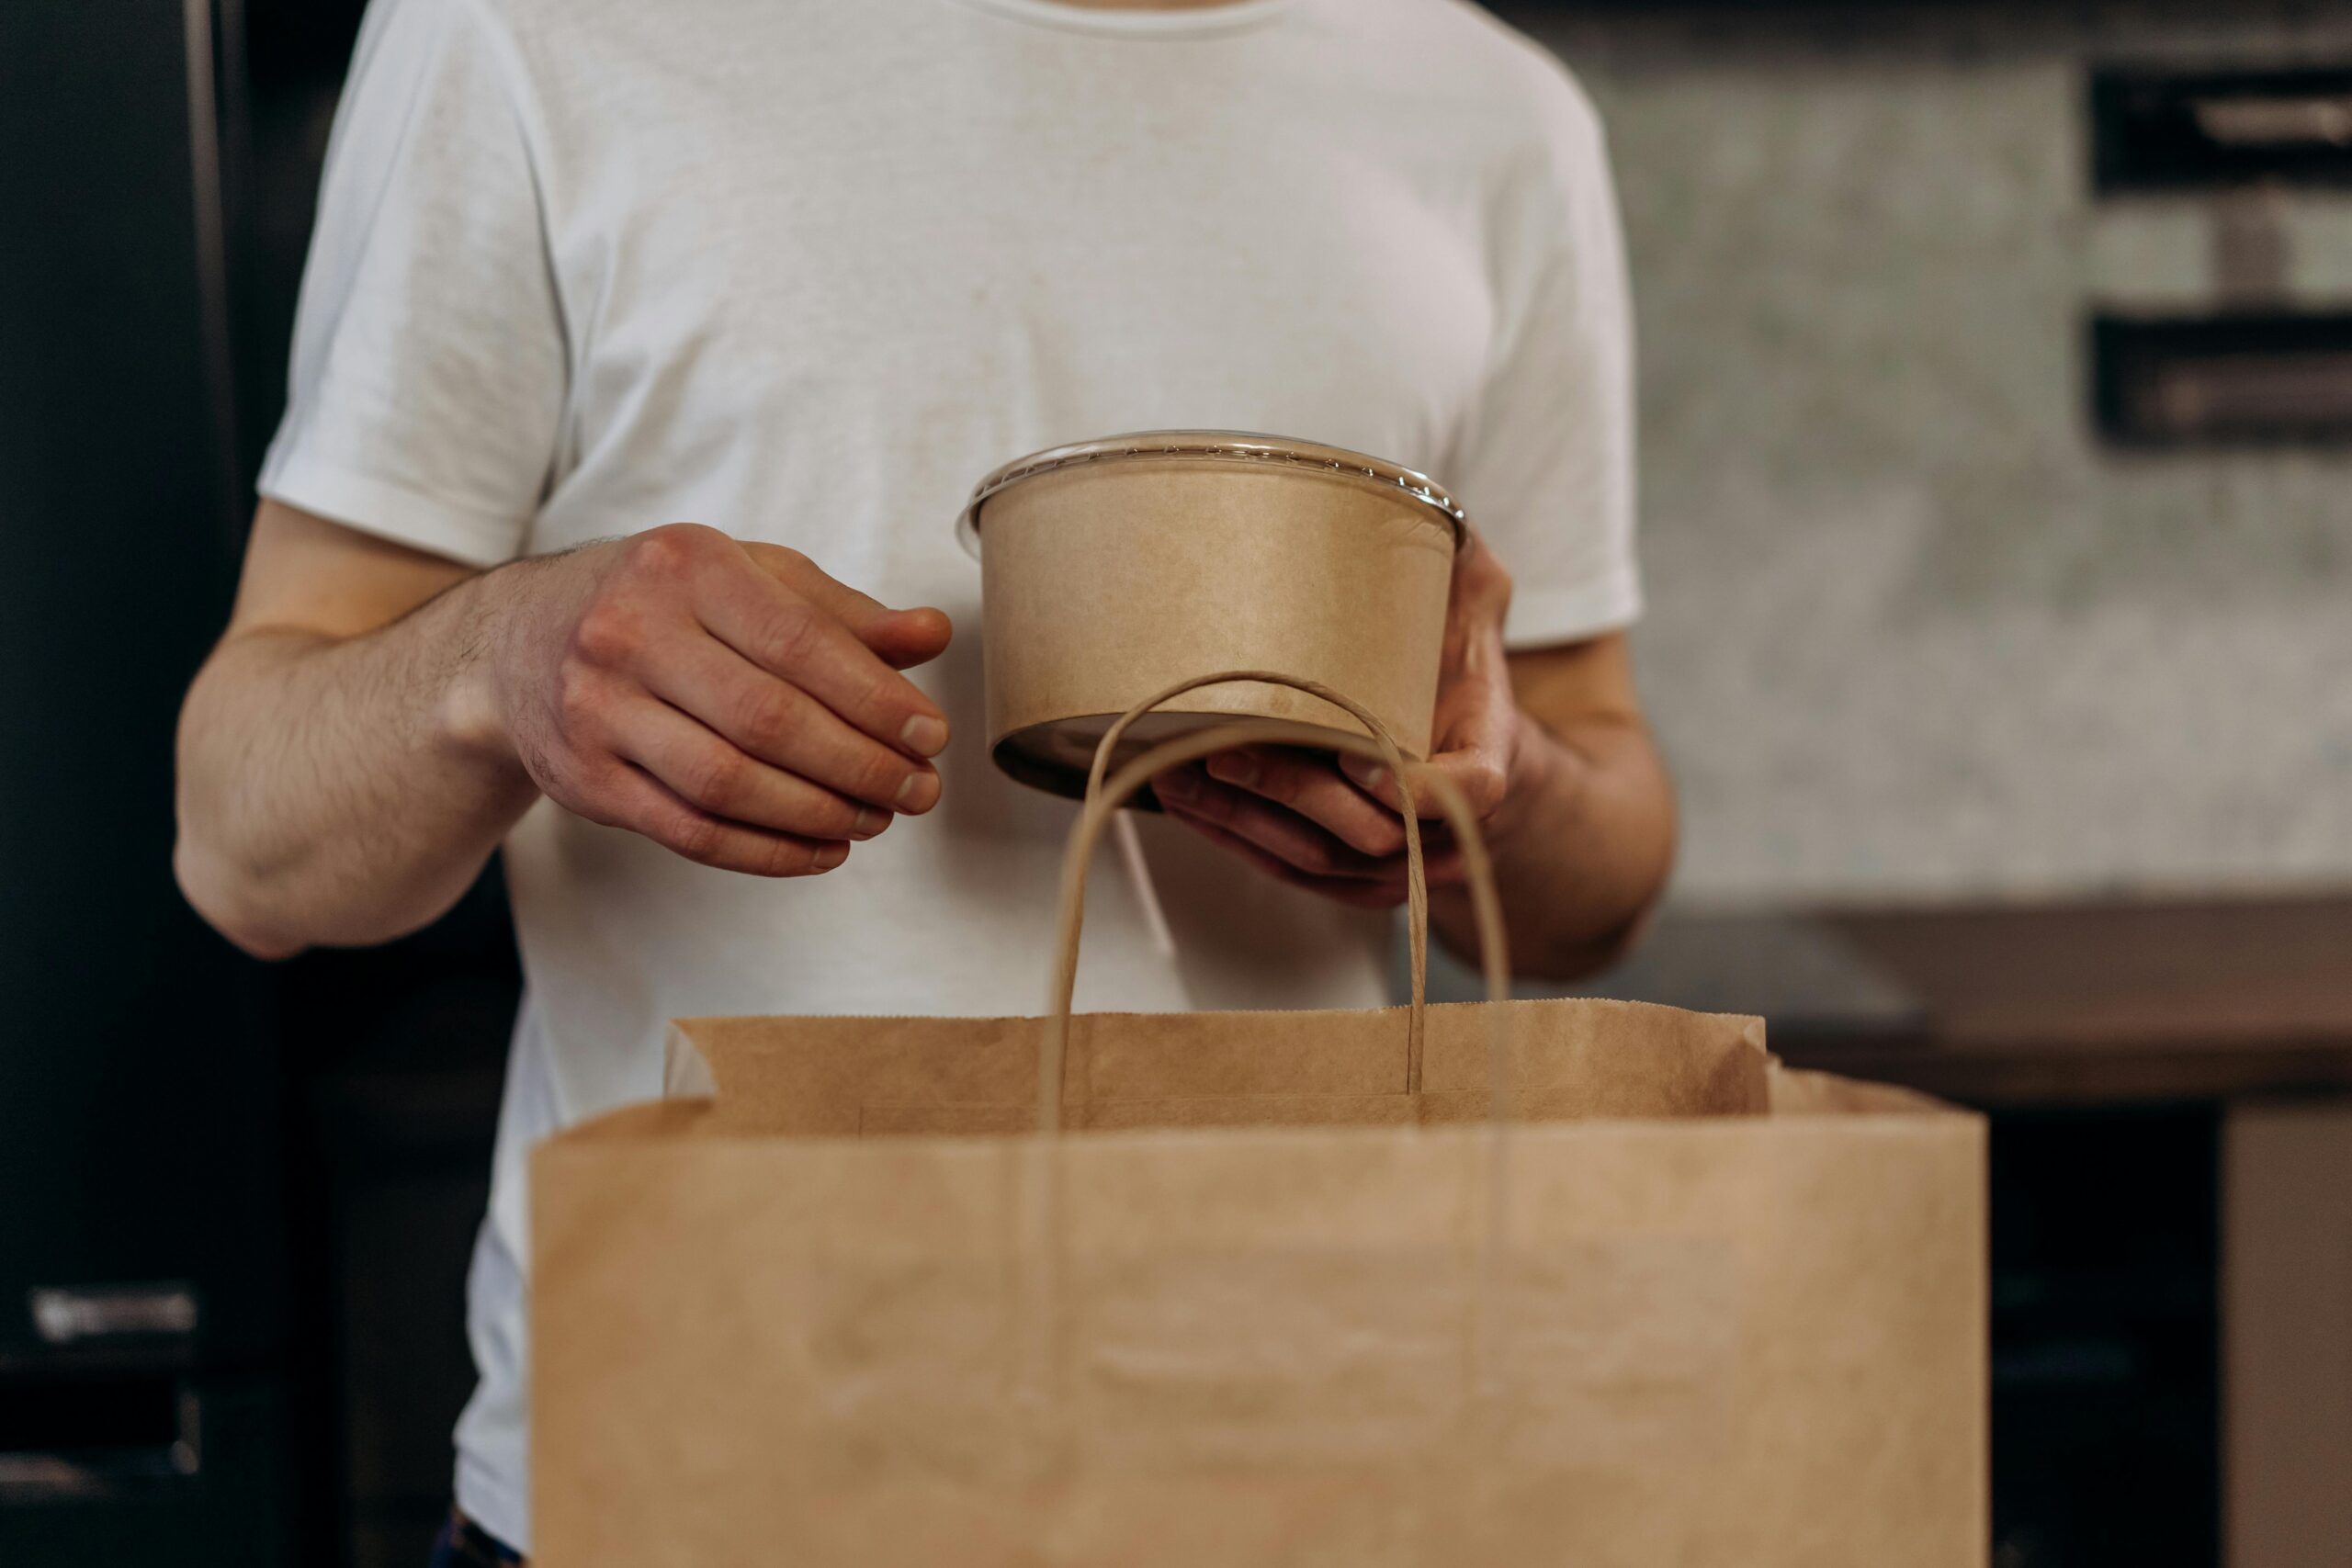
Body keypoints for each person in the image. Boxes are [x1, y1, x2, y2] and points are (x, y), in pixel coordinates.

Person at [173, 0, 1675, 1558]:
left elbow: (1599, 879)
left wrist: (1498, 800)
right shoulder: (523, 28)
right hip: (690, 1494)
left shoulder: (1493, 110)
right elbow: (240, 847)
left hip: (1316, 1483)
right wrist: (497, 662)